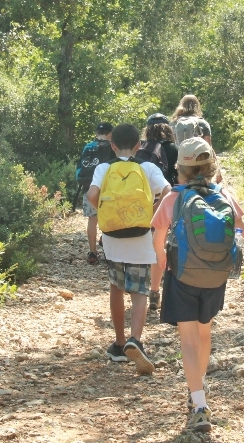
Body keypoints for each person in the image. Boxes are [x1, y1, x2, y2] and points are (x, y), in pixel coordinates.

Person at [151, 137, 244, 432]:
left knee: (188, 340)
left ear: (180, 169)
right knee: (204, 332)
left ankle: (199, 404)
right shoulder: (224, 195)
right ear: (212, 168)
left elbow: (157, 241)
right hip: (215, 277)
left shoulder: (173, 198)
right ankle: (200, 383)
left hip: (182, 274)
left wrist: (163, 261)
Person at [87, 123, 171, 374]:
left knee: (116, 287)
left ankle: (119, 343)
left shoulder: (104, 168)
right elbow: (168, 191)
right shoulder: (147, 168)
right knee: (139, 291)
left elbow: (92, 194)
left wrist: (105, 212)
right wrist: (152, 213)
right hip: (141, 236)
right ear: (138, 145)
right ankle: (136, 339)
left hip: (113, 238)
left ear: (112, 145)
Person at [139, 113, 178, 311]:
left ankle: (139, 288)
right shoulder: (173, 149)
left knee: (143, 245)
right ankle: (155, 291)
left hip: (143, 201)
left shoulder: (141, 149)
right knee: (159, 245)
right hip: (167, 200)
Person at [75, 122, 115, 265]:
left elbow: (80, 167)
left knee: (92, 219)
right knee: (108, 219)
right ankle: (108, 251)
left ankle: (92, 252)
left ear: (96, 133)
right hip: (107, 188)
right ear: (110, 134)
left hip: (89, 187)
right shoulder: (112, 147)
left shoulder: (88, 147)